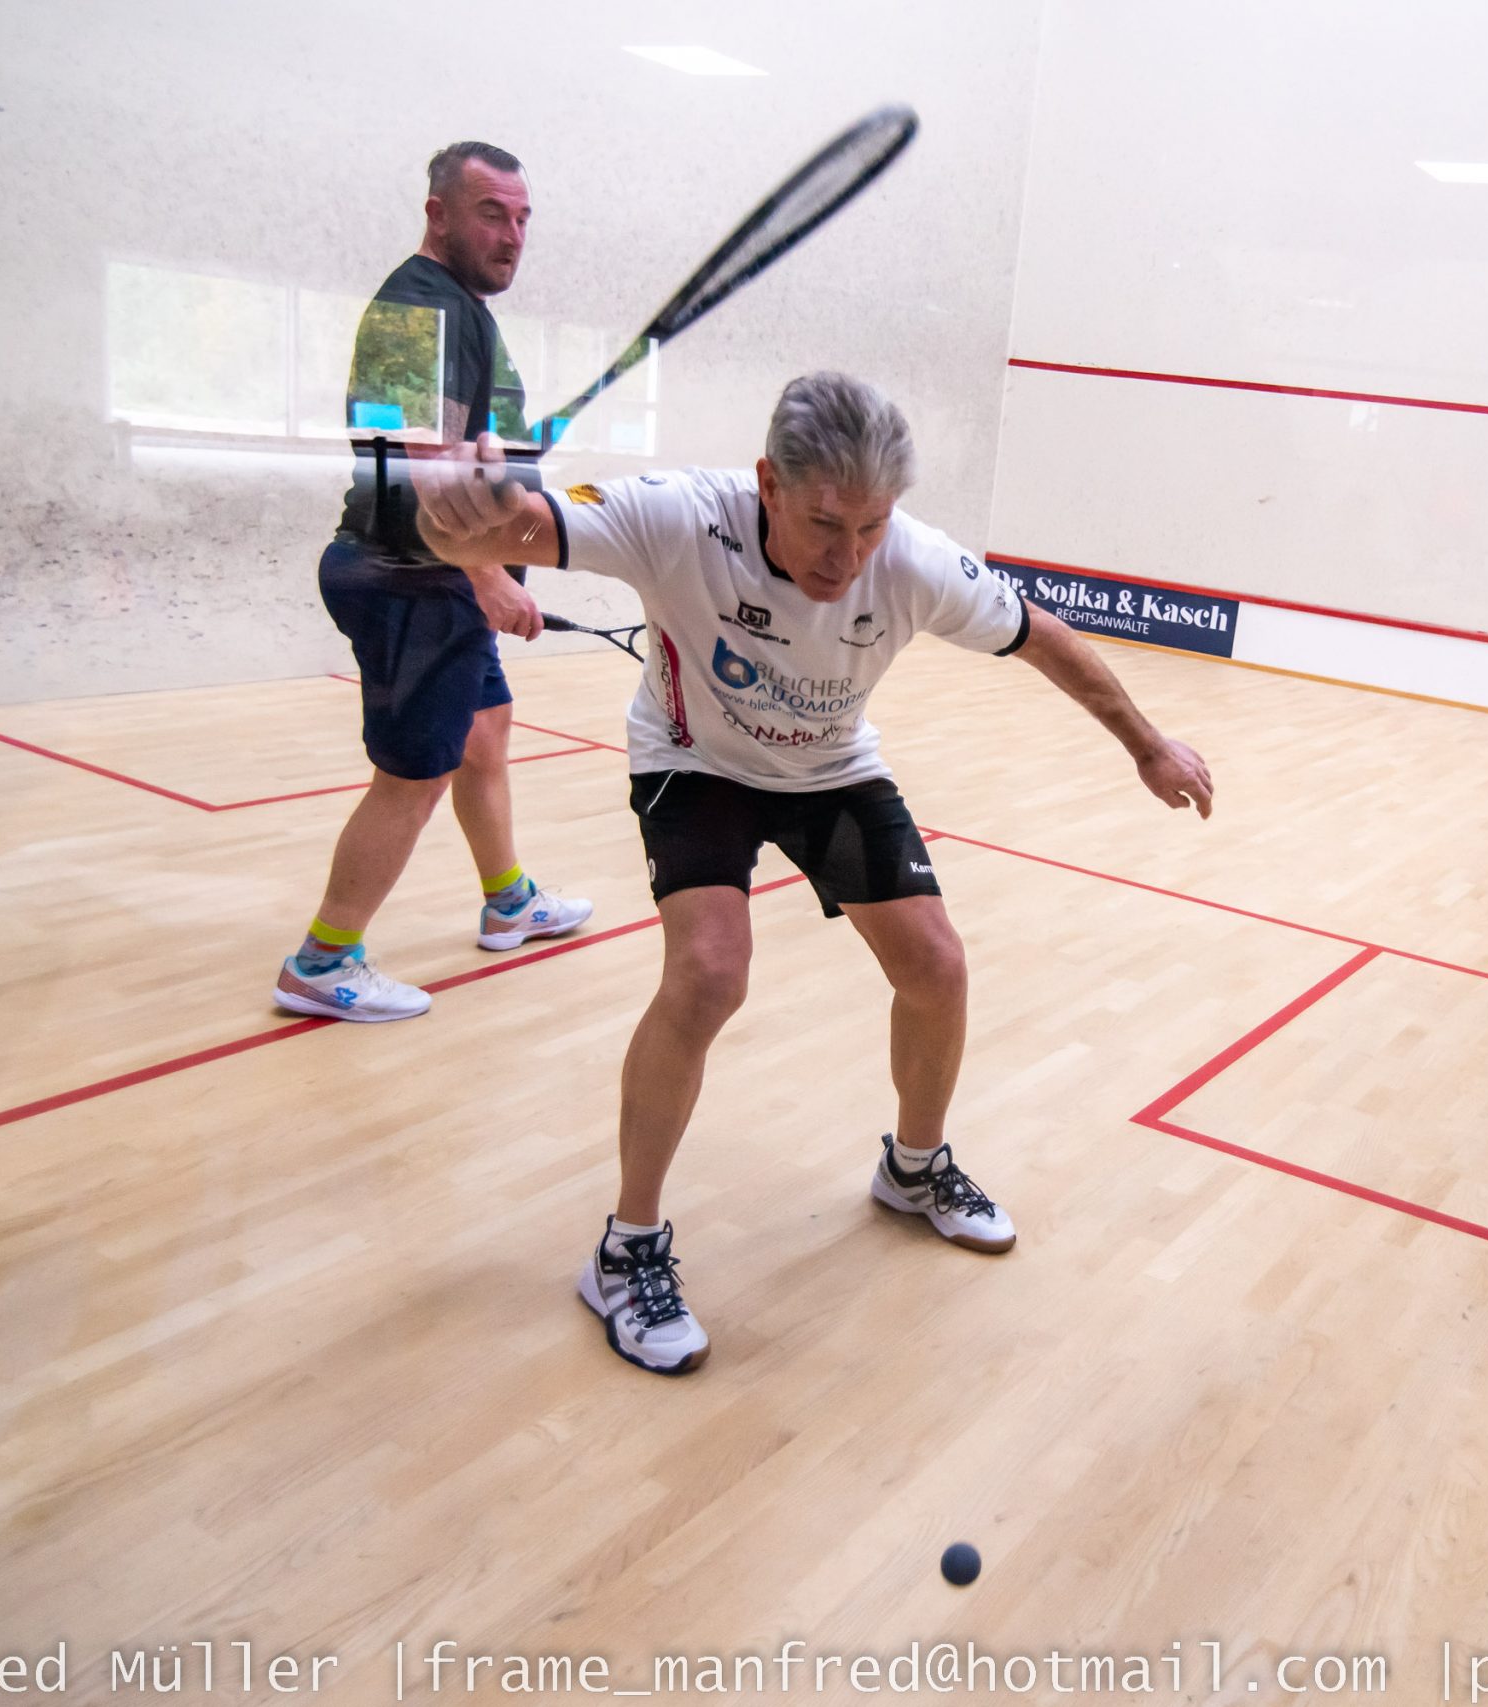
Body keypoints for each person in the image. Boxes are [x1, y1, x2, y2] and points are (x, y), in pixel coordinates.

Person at [411, 372, 1214, 1375]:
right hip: (694, 762)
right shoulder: (677, 517)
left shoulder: (914, 561)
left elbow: (1039, 635)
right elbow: (498, 531)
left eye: (872, 525)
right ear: (767, 484)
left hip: (831, 769)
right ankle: (626, 1249)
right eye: (826, 523)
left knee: (936, 967)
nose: (848, 557)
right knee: (709, 974)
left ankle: (913, 1169)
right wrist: (453, 519)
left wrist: (1147, 745)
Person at [271, 141, 593, 1024]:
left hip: (434, 578)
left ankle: (508, 899)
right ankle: (321, 961)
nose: (512, 235)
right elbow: (417, 465)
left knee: (485, 731)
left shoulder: (460, 311)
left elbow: (465, 453)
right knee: (413, 777)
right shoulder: (418, 310)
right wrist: (486, 576)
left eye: (522, 218)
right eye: (492, 213)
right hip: (413, 579)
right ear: (438, 214)